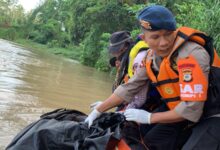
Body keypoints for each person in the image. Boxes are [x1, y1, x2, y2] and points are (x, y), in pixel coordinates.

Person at [85, 5, 220, 150]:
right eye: (155, 37)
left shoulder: (190, 55)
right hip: (179, 112)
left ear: (175, 31)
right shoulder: (150, 58)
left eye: (168, 34)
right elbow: (130, 87)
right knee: (148, 142)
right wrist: (99, 110)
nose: (164, 42)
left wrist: (149, 118)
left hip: (212, 114)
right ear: (144, 38)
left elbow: (191, 109)